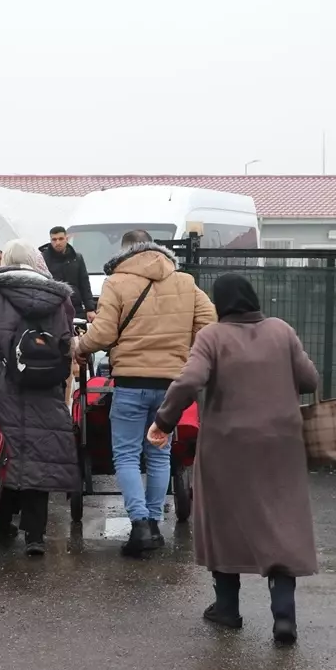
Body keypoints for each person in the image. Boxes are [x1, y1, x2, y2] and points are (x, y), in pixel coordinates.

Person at [146, 273, 319, 646]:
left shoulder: (212, 336)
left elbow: (191, 380)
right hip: (281, 442)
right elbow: (310, 380)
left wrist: (164, 420)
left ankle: (227, 609)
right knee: (281, 520)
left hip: (228, 444)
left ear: (220, 303)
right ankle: (284, 618)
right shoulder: (281, 330)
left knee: (224, 518)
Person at [72, 229, 216, 556]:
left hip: (131, 382)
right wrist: (183, 351)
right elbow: (209, 321)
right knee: (159, 453)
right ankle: (153, 522)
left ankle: (141, 525)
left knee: (125, 454)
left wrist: (80, 345)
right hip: (170, 385)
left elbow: (104, 333)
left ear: (125, 253)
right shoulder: (185, 281)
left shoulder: (117, 282)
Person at [0, 239, 80, 556]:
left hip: (3, 384)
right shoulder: (57, 296)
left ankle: (2, 527)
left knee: (2, 456)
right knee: (40, 453)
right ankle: (36, 536)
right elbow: (66, 340)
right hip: (45, 382)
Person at [40, 227, 96, 407]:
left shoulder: (76, 258)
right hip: (53, 308)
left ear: (67, 239)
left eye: (60, 239)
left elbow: (84, 282)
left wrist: (90, 308)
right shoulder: (44, 258)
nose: (57, 242)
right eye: (54, 239)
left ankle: (81, 384)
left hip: (76, 308)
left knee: (79, 348)